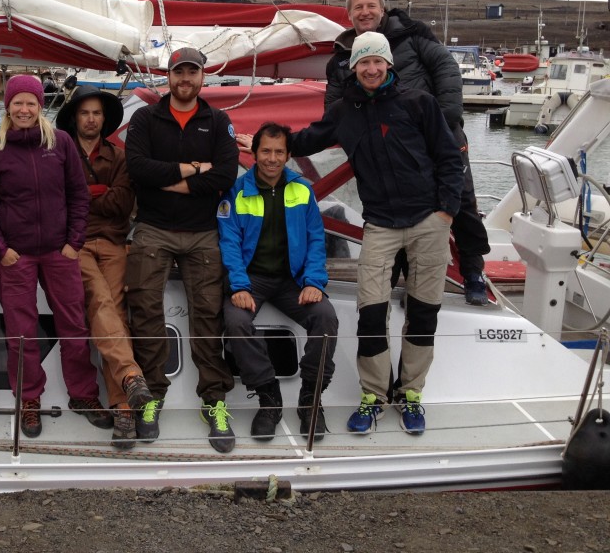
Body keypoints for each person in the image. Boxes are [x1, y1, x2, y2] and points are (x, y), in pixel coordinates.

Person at [291, 32, 464, 436]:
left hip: (427, 222)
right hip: (381, 224)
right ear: (353, 67)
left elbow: (448, 158)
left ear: (388, 65)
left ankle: (411, 394)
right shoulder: (343, 111)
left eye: (377, 62)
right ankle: (373, 397)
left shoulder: (419, 103)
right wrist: (269, 141)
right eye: (363, 62)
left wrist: (446, 213)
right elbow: (307, 138)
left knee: (424, 313)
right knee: (371, 312)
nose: (370, 69)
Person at [326, 0, 491, 306]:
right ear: (349, 15)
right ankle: (410, 283)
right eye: (358, 7)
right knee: (401, 209)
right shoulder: (343, 58)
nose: (365, 12)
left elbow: (445, 69)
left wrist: (446, 118)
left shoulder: (413, 34)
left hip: (439, 133)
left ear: (382, 8)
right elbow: (333, 107)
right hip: (394, 144)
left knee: (462, 204)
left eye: (371, 5)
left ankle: (473, 272)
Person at [0, 74, 112, 438]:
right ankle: (30, 398)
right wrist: (0, 251)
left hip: (59, 252)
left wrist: (73, 243)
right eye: (17, 102)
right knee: (21, 334)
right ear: (8, 106)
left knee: (75, 328)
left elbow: (79, 196)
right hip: (15, 258)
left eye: (30, 103)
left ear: (40, 106)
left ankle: (83, 394)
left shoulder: (61, 143)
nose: (23, 109)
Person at [124, 47, 240, 453]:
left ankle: (215, 402)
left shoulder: (218, 121)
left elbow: (226, 174)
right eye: (179, 72)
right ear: (168, 77)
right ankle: (152, 396)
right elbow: (137, 168)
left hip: (203, 232)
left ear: (202, 78)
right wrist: (193, 169)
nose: (185, 79)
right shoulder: (145, 118)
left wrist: (169, 179)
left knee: (208, 315)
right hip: (153, 229)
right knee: (146, 311)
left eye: (192, 72)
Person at [218, 122, 338, 442]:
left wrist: (313, 281)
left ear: (288, 155)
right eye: (266, 151)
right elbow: (228, 243)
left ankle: (311, 398)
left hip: (292, 279)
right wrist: (239, 286)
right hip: (252, 278)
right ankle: (269, 397)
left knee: (325, 317)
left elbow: (315, 240)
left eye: (279, 152)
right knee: (235, 321)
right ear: (254, 153)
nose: (272, 158)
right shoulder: (236, 192)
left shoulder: (302, 189)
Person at [55, 85, 153, 448]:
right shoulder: (59, 152)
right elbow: (60, 203)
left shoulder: (121, 156)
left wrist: (84, 194)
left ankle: (124, 405)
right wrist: (97, 193)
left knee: (115, 311)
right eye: (85, 113)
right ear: (75, 117)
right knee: (99, 299)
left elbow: (121, 202)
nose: (92, 119)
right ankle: (129, 385)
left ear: (103, 118)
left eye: (97, 113)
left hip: (113, 241)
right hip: (75, 243)